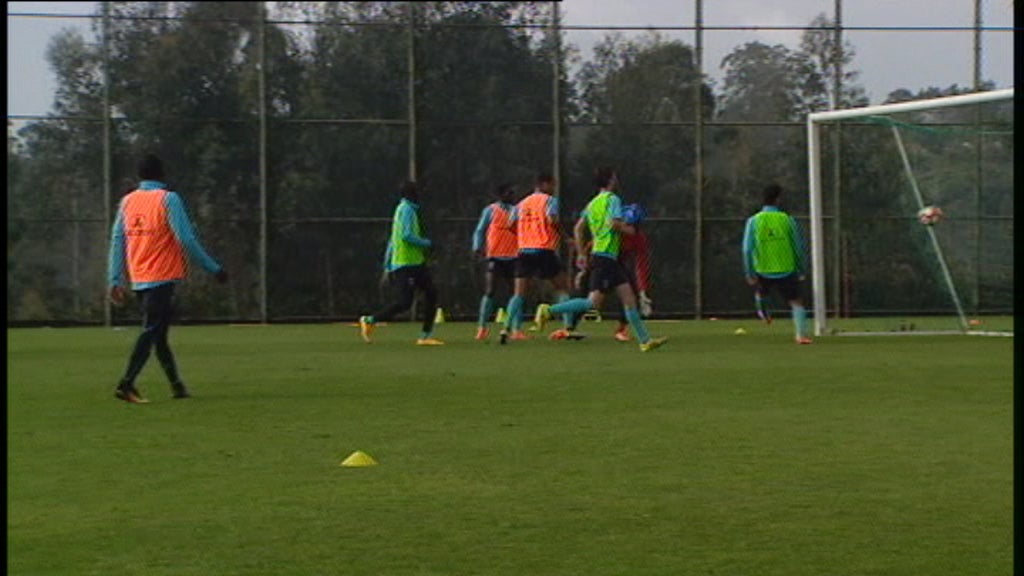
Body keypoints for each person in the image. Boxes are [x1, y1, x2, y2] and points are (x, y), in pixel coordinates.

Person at [108, 153, 228, 404]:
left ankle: (177, 386)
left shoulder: (127, 202)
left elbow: (118, 239)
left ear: (139, 175)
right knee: (152, 329)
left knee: (159, 333)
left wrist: (115, 278)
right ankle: (126, 383)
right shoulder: (168, 199)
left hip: (139, 277)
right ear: (162, 174)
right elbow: (186, 238)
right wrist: (213, 268)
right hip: (162, 276)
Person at [535, 168, 667, 352]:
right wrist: (630, 230)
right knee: (592, 303)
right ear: (610, 181)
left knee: (629, 299)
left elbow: (579, 228)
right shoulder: (612, 199)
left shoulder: (592, 203)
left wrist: (582, 253)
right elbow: (615, 223)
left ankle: (645, 341)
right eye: (614, 177)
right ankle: (549, 310)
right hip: (605, 257)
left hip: (603, 256)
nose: (616, 180)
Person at [553, 202, 653, 341]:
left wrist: (643, 291)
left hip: (617, 265)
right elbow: (592, 246)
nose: (632, 228)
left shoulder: (638, 238)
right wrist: (583, 270)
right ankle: (562, 323)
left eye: (635, 225)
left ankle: (627, 332)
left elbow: (641, 264)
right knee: (589, 300)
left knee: (630, 296)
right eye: (629, 224)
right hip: (602, 263)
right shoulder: (614, 231)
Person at [359, 181, 443, 346]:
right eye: (417, 192)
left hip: (412, 262)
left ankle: (426, 335)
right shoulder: (407, 210)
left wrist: (387, 263)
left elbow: (392, 239)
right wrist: (428, 243)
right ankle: (371, 320)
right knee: (405, 302)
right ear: (411, 194)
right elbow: (405, 236)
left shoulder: (401, 209)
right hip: (407, 263)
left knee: (431, 294)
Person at [499, 172, 573, 344]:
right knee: (563, 287)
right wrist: (565, 237)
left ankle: (506, 328)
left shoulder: (522, 203)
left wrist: (524, 235)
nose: (554, 189)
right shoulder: (549, 201)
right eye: (552, 185)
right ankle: (567, 327)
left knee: (518, 294)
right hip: (544, 249)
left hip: (524, 251)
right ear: (544, 184)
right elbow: (552, 220)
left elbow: (510, 224)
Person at [742, 183, 811, 344]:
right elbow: (797, 246)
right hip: (786, 268)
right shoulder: (787, 220)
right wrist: (801, 268)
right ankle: (800, 335)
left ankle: (763, 312)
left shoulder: (754, 221)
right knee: (796, 302)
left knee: (761, 293)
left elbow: (747, 249)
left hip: (762, 268)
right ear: (778, 199)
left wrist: (749, 272)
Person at [471, 183, 518, 341]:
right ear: (501, 194)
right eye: (509, 193)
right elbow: (480, 230)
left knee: (516, 293)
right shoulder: (490, 210)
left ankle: (515, 328)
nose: (512, 196)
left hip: (513, 256)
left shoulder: (516, 211)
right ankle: (482, 327)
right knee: (490, 291)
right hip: (495, 256)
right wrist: (477, 247)